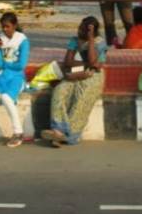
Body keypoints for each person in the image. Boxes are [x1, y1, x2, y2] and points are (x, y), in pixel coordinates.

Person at [41, 16, 107, 148]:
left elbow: (94, 62)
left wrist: (90, 40)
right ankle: (58, 130)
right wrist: (84, 66)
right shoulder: (74, 40)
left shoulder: (100, 42)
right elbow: (68, 62)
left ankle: (69, 135)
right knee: (60, 91)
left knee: (81, 100)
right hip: (79, 71)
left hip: (94, 76)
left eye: (83, 29)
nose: (79, 31)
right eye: (80, 27)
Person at [0, 12, 30, 148]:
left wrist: (5, 64)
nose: (4, 30)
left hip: (17, 77)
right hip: (0, 76)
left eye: (8, 27)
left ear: (14, 26)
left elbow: (21, 65)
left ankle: (18, 132)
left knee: (6, 97)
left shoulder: (23, 40)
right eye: (3, 27)